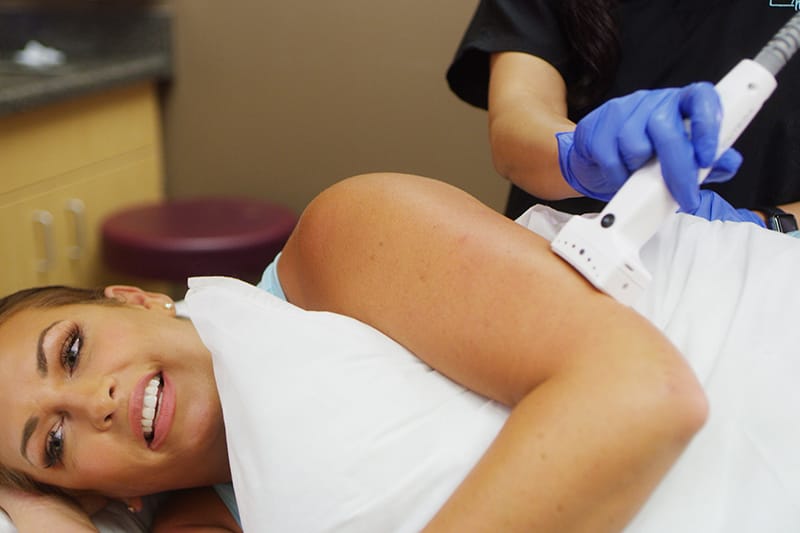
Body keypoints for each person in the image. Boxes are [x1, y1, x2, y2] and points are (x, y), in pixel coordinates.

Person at [0, 172, 798, 532]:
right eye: (57, 442)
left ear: (134, 297)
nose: (93, 401)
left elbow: (641, 391)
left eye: (70, 352)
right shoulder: (203, 515)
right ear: (104, 498)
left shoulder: (338, 247)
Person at [446, 0, 800, 225]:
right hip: (568, 265)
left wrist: (761, 225)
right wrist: (577, 155)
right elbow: (517, 121)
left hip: (763, 279)